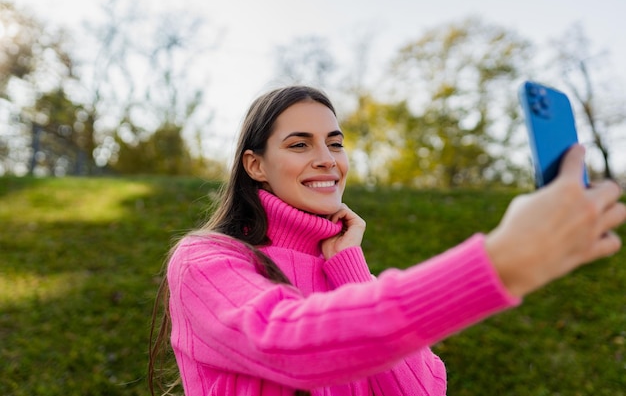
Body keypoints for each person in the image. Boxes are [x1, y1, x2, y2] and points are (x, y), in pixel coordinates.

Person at [149, 85, 625, 396]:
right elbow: (291, 340)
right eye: (299, 144)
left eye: (334, 143)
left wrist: (350, 268)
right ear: (255, 165)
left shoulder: (345, 272)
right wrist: (498, 263)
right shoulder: (206, 260)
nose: (326, 159)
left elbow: (421, 391)